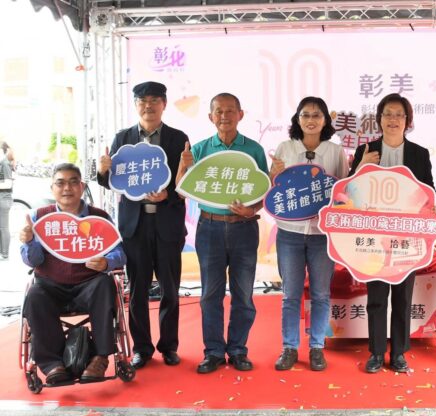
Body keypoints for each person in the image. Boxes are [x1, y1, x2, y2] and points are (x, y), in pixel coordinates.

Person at [97, 81, 189, 370]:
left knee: (170, 289)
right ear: (136, 104)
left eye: (154, 100)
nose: (148, 106)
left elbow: (186, 182)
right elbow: (112, 181)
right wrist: (102, 171)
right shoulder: (122, 138)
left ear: (164, 104)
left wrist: (168, 194)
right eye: (142, 101)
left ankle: (169, 347)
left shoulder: (178, 138)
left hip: (167, 225)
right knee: (137, 291)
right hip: (135, 227)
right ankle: (142, 348)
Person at [176, 93, 267, 374]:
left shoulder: (253, 149)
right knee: (210, 295)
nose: (224, 116)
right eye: (219, 111)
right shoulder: (200, 149)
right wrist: (183, 165)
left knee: (243, 294)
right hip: (210, 228)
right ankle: (213, 351)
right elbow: (181, 190)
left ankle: (238, 350)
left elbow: (263, 191)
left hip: (244, 228)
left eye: (230, 111)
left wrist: (251, 210)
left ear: (241, 114)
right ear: (210, 117)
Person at [349, 93, 434, 374]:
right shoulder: (367, 150)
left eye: (399, 114)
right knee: (376, 297)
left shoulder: (419, 154)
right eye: (388, 114)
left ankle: (398, 353)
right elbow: (348, 194)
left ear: (407, 120)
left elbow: (429, 193)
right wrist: (360, 167)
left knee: (402, 297)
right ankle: (376, 352)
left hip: (406, 239)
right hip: (373, 240)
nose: (393, 120)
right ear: (379, 119)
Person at [20, 163, 126, 384]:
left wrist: (107, 262)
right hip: (51, 285)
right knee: (35, 295)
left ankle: (99, 358)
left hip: (89, 284)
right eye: (60, 183)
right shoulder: (39, 218)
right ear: (52, 188)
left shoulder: (99, 217)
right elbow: (33, 261)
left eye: (73, 182)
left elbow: (119, 253)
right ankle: (53, 364)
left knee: (105, 284)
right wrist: (29, 242)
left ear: (82, 186)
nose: (67, 188)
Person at [271, 97, 348, 372]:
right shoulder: (285, 147)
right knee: (290, 295)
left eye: (317, 115)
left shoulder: (335, 151)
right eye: (305, 115)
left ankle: (317, 347)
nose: (311, 120)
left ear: (325, 120)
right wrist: (273, 174)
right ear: (297, 119)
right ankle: (289, 348)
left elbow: (343, 192)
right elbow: (273, 189)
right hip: (289, 232)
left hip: (321, 234)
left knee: (321, 294)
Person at [0, 141, 14, 261]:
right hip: (2, 197)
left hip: (4, 198)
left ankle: (5, 254)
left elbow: (8, 183)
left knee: (3, 227)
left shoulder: (5, 163)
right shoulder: (2, 163)